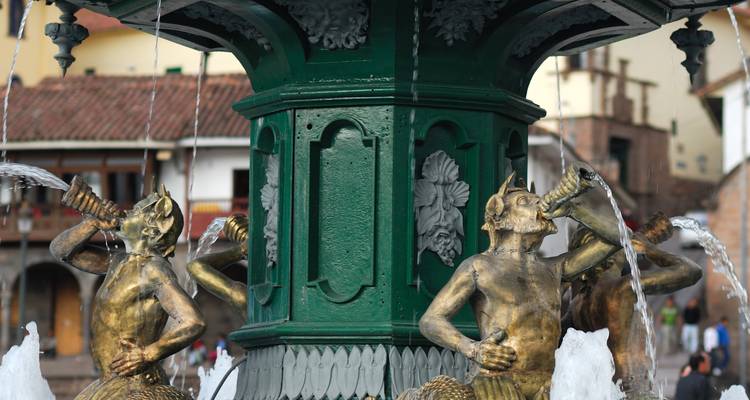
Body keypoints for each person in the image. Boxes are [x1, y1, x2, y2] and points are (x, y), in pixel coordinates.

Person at [409, 166, 624, 400]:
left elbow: (619, 238)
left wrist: (574, 210)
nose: (539, 204)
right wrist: (473, 349)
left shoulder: (555, 268)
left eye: (536, 199)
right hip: (498, 383)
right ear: (500, 217)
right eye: (524, 201)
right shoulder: (479, 266)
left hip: (551, 383)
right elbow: (430, 320)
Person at [50, 178, 205, 400]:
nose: (125, 214)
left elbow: (194, 320)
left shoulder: (154, 269)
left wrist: (148, 353)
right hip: (110, 381)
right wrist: (92, 224)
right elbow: (61, 251)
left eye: (134, 212)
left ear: (151, 230)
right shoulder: (118, 261)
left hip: (137, 384)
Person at [567, 213, 702, 394]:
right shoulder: (622, 289)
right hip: (632, 391)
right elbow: (691, 271)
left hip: (600, 391)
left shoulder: (577, 305)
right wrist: (649, 249)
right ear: (609, 258)